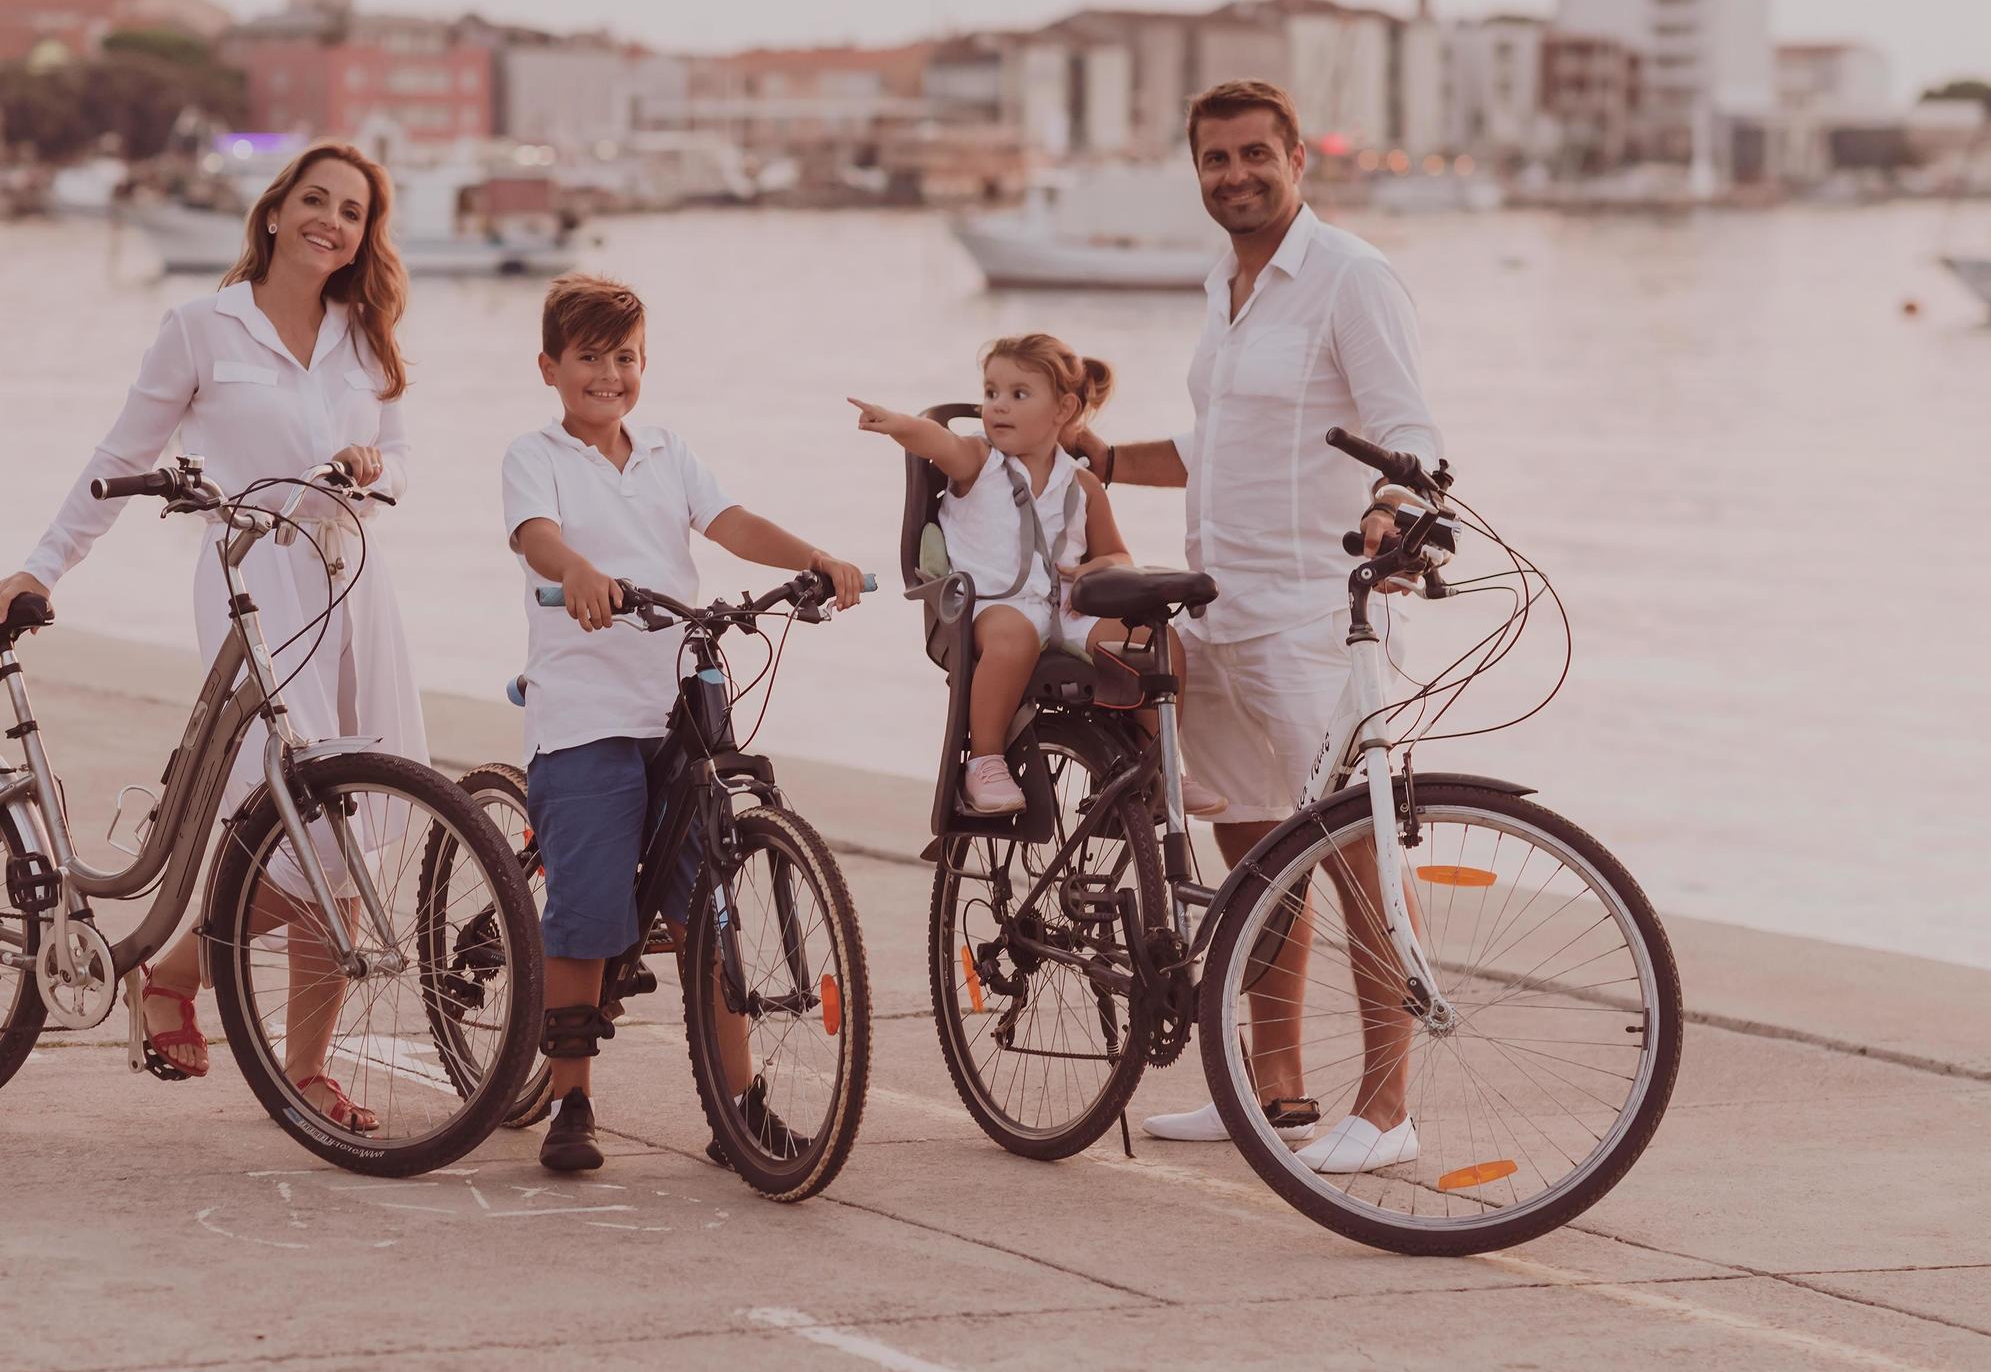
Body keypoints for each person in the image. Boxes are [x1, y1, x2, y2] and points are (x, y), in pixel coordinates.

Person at [0, 139, 421, 1134]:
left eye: (352, 212)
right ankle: (179, 979)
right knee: (303, 827)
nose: (332, 222)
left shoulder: (366, 335)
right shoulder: (199, 328)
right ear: (273, 212)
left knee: (352, 840)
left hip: (354, 583)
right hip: (255, 581)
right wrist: (42, 568)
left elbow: (399, 466)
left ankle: (282, 1055)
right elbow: (119, 455)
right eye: (316, 200)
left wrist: (366, 462)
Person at [1067, 80, 1446, 1177]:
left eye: (1252, 155)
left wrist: (1392, 510)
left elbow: (1407, 434)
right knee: (1254, 853)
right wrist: (1097, 459)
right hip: (1214, 603)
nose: (1233, 175)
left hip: (1311, 616)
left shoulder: (1352, 279)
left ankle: (1387, 1107)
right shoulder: (1225, 284)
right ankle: (1270, 1090)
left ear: (1297, 159)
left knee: (1352, 853)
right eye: (1214, 160)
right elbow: (1215, 445)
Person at [503, 274, 864, 1175]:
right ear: (551, 368)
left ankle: (737, 1107)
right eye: (588, 357)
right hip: (586, 709)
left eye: (624, 358)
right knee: (585, 913)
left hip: (676, 701)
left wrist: (813, 557)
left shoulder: (667, 450)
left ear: (644, 366)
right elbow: (535, 534)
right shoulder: (535, 454)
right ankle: (571, 1099)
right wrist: (579, 571)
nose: (608, 374)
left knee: (714, 908)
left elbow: (730, 522)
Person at [851, 334, 1201, 816]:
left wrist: (1095, 568)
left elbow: (1118, 554)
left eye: (1018, 394)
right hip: (991, 608)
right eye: (991, 392)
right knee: (1014, 637)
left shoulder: (1082, 484)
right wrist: (900, 425)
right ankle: (985, 761)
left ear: (1063, 410)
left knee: (1160, 641)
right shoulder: (980, 462)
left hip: (1065, 611)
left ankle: (1157, 765)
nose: (997, 407)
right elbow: (938, 441)